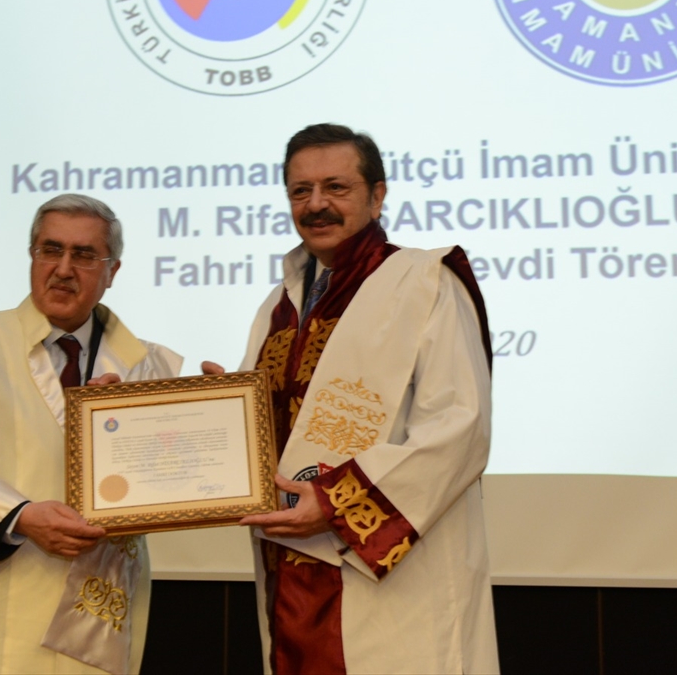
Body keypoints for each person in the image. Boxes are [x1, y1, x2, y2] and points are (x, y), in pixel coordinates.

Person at [205, 124, 499, 674]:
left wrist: (338, 504)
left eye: (336, 187)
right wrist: (219, 414)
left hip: (394, 588)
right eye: (301, 191)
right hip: (292, 577)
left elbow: (460, 428)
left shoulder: (425, 282)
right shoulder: (278, 306)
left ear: (377, 195)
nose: (316, 204)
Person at [0, 194, 182, 675]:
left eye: (84, 255)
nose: (63, 269)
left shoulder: (147, 368)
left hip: (92, 617)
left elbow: (171, 486)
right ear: (32, 256)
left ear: (113, 271)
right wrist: (20, 516)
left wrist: (215, 416)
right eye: (50, 250)